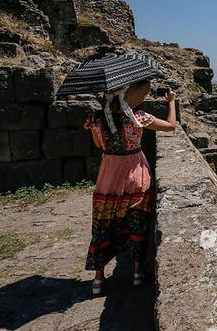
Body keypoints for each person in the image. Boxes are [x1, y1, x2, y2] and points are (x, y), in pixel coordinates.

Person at [83, 79, 176, 295]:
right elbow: (171, 126)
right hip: (135, 173)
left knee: (102, 225)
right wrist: (171, 103)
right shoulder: (137, 117)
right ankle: (137, 272)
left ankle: (98, 278)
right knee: (137, 223)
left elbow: (99, 145)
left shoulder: (95, 118)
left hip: (108, 176)